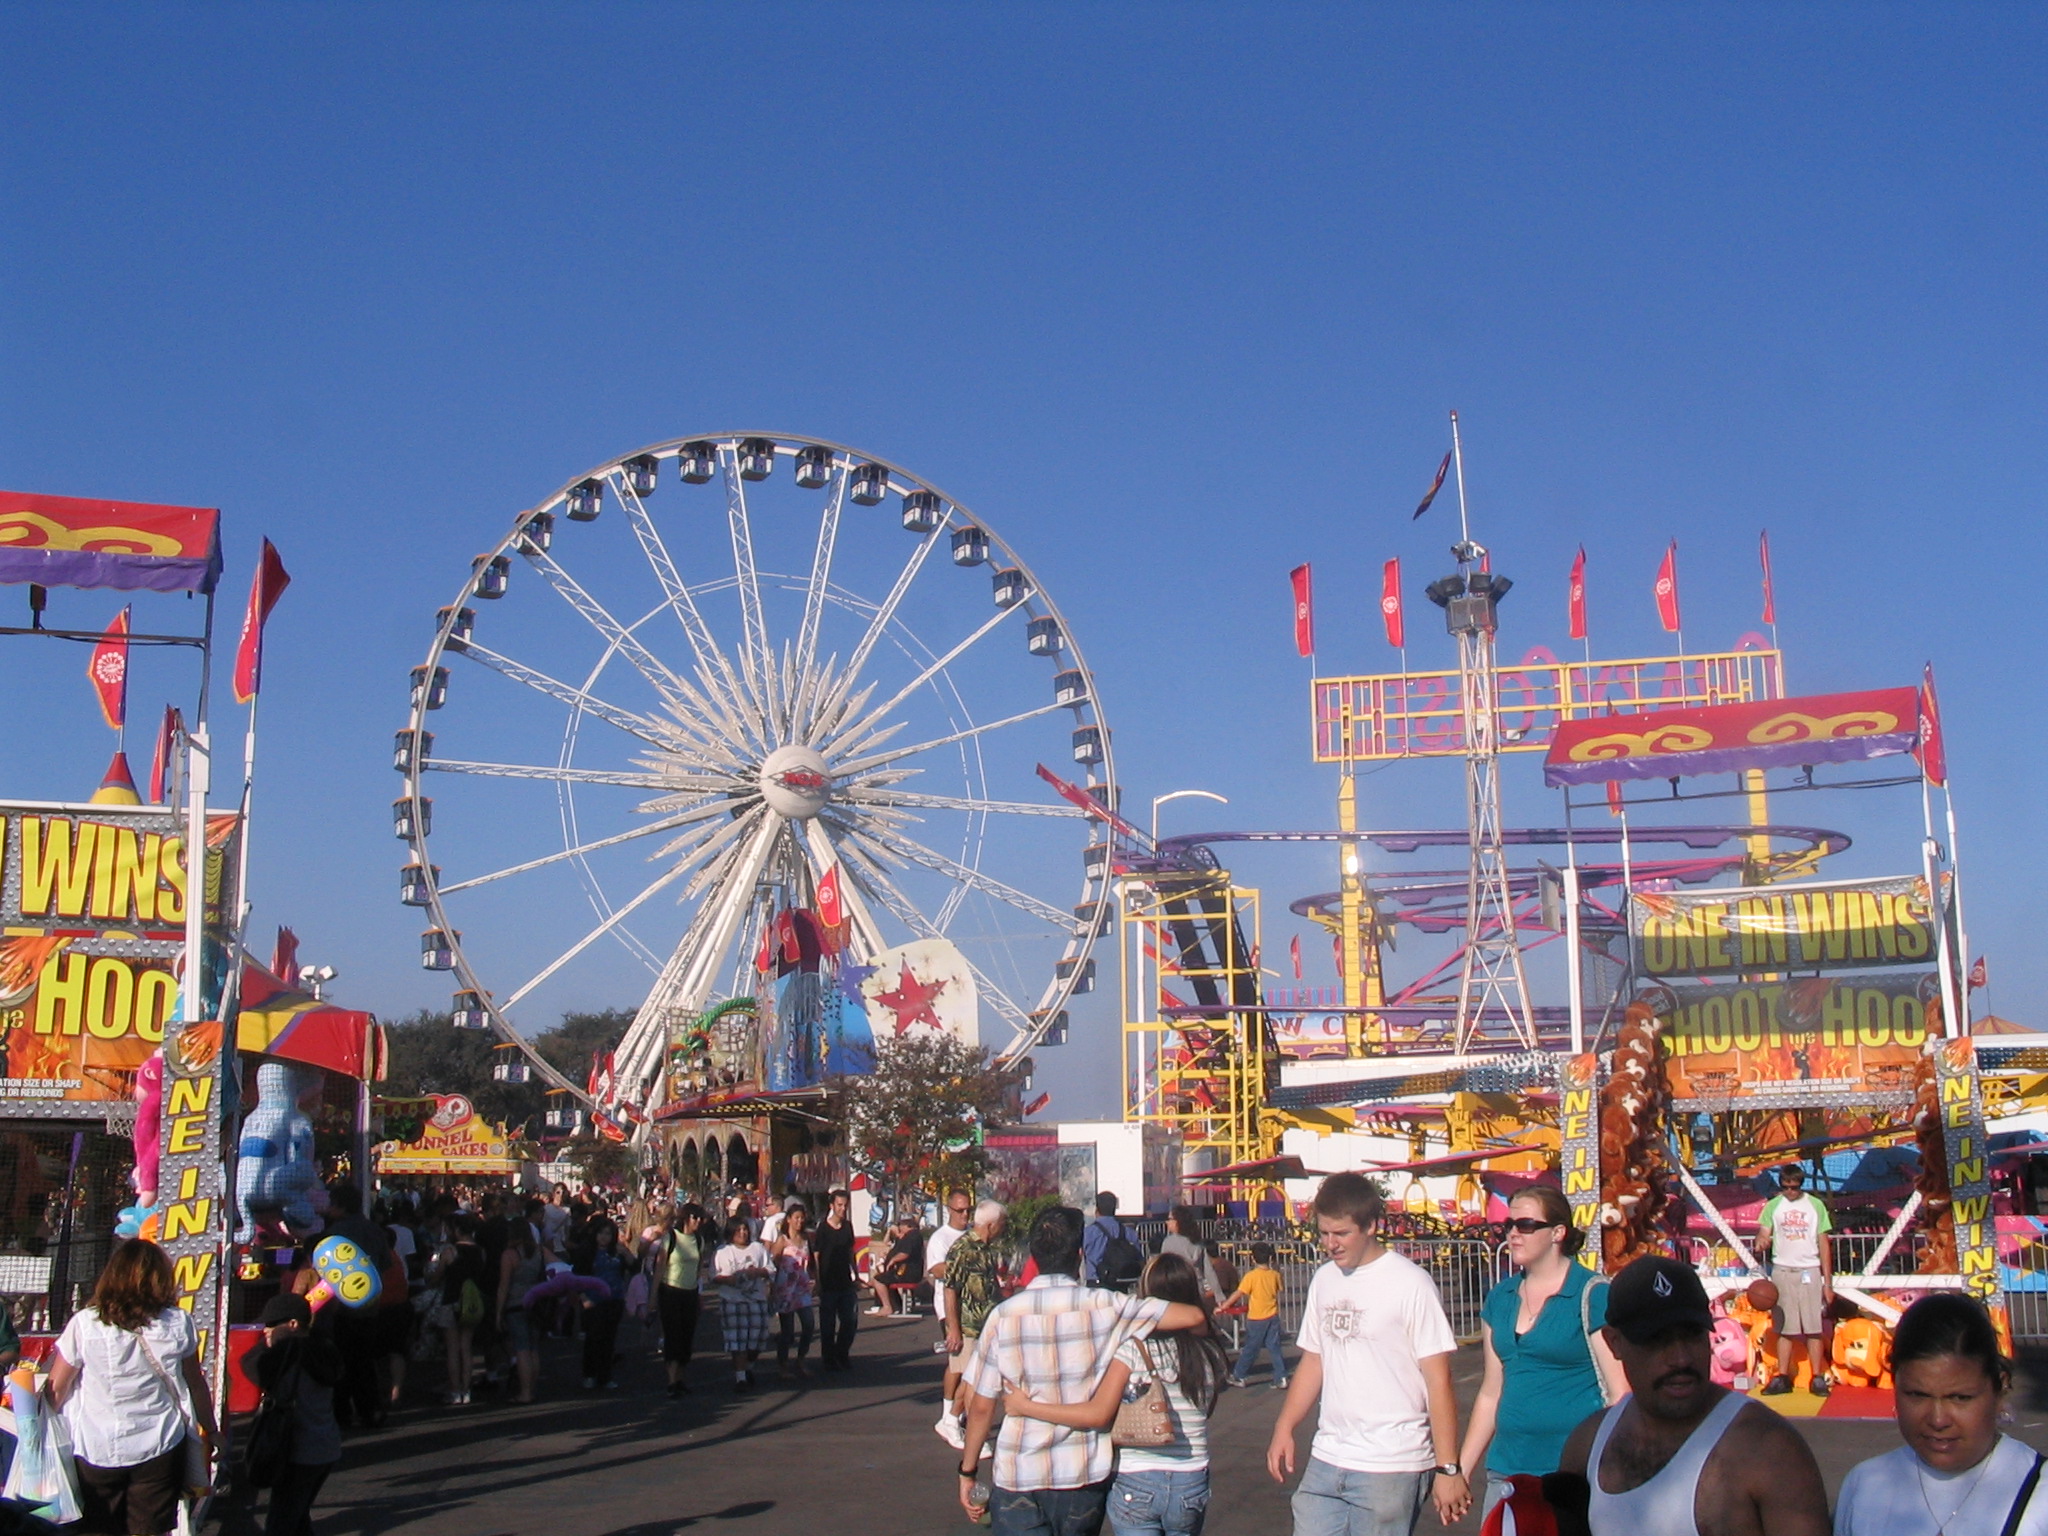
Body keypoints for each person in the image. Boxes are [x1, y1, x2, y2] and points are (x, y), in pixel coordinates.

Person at [958, 1206, 1210, 1534]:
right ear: (1079, 1255)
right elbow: (1193, 1316)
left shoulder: (1003, 1316)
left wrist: (968, 1471)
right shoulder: (1107, 1305)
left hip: (1019, 1470)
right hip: (1083, 1474)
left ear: (1033, 1254)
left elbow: (980, 1406)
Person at [1558, 1254, 1830, 1536]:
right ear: (1614, 1343)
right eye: (1656, 1339)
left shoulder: (1768, 1450)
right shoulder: (1587, 1445)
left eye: (1692, 1334)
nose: (1680, 1358)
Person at [1265, 1172, 1467, 1535]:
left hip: (1391, 1464)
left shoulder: (1411, 1284)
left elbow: (1439, 1381)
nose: (1331, 1244)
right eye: (1324, 1233)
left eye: (1341, 1234)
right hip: (1328, 1457)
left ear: (1372, 1226)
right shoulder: (1324, 1279)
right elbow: (1314, 1360)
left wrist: (1448, 1468)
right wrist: (1285, 1426)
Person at [1002, 1251, 1229, 1536]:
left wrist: (1025, 1406)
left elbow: (1097, 1414)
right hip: (1192, 1477)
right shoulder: (1210, 1352)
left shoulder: (1134, 1350)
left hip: (1137, 1475)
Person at [1459, 1186, 1623, 1520]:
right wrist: (1459, 1471)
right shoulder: (1500, 1298)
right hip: (1506, 1473)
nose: (1513, 1233)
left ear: (1558, 1233)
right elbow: (1491, 1393)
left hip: (1572, 1476)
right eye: (1509, 1225)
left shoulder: (1592, 1294)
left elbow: (1620, 1394)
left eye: (1526, 1225)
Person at [45, 1238, 221, 1536]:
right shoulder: (178, 1322)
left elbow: (56, 1390)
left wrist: (36, 1433)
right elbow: (196, 1384)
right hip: (160, 1443)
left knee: (97, 1528)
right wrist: (212, 1430)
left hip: (95, 1447)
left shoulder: (85, 1323)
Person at [1834, 1291, 2047, 1536]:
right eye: (1917, 1395)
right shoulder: (1865, 1486)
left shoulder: (2041, 1492)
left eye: (1960, 1398)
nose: (1938, 1420)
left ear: (2000, 1387)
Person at [241, 1292, 343, 1536]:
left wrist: (267, 1346)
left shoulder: (287, 1356)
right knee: (297, 1517)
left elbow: (250, 1364)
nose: (265, 1331)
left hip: (295, 1449)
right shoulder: (325, 1349)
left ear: (292, 1324)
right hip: (325, 1447)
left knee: (281, 1523)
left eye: (271, 1325)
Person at [1757, 1165, 1835, 1396]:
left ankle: (1817, 1376)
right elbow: (1763, 1232)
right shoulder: (1773, 1206)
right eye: (1786, 1187)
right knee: (1784, 1329)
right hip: (1782, 1269)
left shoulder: (1815, 1205)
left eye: (1794, 1188)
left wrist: (1827, 1283)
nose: (1790, 1192)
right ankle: (1782, 1376)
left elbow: (1824, 1243)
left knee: (1813, 1328)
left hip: (1809, 1269)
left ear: (1801, 1185)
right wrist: (1762, 1241)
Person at [936, 1199, 1007, 1450]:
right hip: (967, 1327)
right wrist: (953, 1328)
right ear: (990, 1225)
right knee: (973, 1383)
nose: (1003, 1228)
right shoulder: (964, 1248)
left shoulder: (986, 1249)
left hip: (985, 1325)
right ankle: (962, 1429)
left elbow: (990, 1288)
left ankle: (953, 1420)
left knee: (973, 1380)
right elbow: (950, 1289)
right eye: (1001, 1223)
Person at [431, 1214, 487, 1405]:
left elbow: (437, 1276)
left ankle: (455, 1390)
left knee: (452, 1349)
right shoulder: (480, 1252)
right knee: (467, 1347)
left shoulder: (450, 1251)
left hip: (452, 1299)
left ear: (456, 1230)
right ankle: (467, 1388)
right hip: (472, 1301)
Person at [574, 1215, 635, 1390]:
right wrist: (583, 1297)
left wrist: (627, 1253)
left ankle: (605, 1375)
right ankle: (589, 1374)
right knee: (593, 1338)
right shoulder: (587, 1251)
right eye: (601, 1233)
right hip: (593, 1300)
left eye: (608, 1234)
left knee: (609, 1340)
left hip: (614, 1299)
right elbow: (578, 1276)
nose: (604, 1237)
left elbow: (634, 1268)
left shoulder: (617, 1251)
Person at [495, 1210, 550, 1404]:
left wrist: (498, 1312)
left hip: (515, 1303)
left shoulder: (509, 1255)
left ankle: (524, 1392)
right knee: (533, 1348)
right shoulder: (540, 1251)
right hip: (535, 1301)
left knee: (521, 1349)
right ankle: (531, 1389)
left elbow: (504, 1285)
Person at [712, 1217, 772, 1391]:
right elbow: (715, 1276)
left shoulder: (758, 1249)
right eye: (738, 1230)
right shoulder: (723, 1251)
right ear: (731, 1233)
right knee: (737, 1341)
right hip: (732, 1300)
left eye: (745, 1229)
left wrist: (759, 1271)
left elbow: (770, 1269)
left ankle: (748, 1367)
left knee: (758, 1339)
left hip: (756, 1299)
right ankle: (740, 1379)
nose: (743, 1233)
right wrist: (728, 1279)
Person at [654, 1204, 707, 1396]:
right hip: (670, 1291)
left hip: (689, 1292)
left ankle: (681, 1378)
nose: (698, 1222)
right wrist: (652, 1299)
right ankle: (671, 1380)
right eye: (695, 1217)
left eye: (700, 1218)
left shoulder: (699, 1240)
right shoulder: (671, 1238)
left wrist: (699, 1294)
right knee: (673, 1336)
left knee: (686, 1337)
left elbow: (699, 1269)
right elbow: (659, 1269)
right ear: (686, 1218)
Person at [1224, 1241, 1288, 1389]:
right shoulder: (1275, 1275)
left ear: (1253, 1259)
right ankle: (1281, 1376)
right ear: (1270, 1258)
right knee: (1274, 1347)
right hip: (1272, 1315)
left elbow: (1239, 1293)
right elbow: (1281, 1288)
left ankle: (1239, 1375)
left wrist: (1225, 1305)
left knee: (1251, 1348)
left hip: (1256, 1317)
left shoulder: (1251, 1276)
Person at [814, 1189, 861, 1371]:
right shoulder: (823, 1228)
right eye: (839, 1205)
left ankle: (842, 1353)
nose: (843, 1209)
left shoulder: (848, 1226)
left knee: (849, 1320)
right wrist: (818, 1280)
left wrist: (856, 1275)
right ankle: (829, 1358)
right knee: (828, 1324)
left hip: (845, 1281)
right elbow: (817, 1254)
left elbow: (850, 1252)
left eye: (845, 1205)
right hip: (828, 1281)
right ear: (832, 1206)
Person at [770, 1204, 818, 1378]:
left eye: (802, 1217)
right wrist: (771, 1287)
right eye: (796, 1217)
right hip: (785, 1289)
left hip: (802, 1288)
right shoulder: (782, 1240)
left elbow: (811, 1263)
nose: (799, 1221)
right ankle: (782, 1365)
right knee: (787, 1331)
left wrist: (815, 1280)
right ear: (789, 1219)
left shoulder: (806, 1239)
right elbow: (772, 1263)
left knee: (808, 1325)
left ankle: (800, 1360)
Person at [927, 1190, 974, 1342]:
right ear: (949, 1210)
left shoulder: (973, 1234)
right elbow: (938, 1270)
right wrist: (970, 1266)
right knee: (958, 1357)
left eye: (969, 1210)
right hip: (950, 1308)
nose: (965, 1214)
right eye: (960, 1210)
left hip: (974, 1306)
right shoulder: (940, 1238)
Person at [1161, 1207, 1225, 1306]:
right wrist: (1218, 1294)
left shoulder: (1169, 1242)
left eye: (1169, 1219)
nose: (1167, 1222)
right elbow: (1208, 1270)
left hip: (1176, 1289)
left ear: (1177, 1221)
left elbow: (1163, 1269)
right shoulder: (1197, 1242)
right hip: (1196, 1288)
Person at [1081, 1192, 1143, 1291]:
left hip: (1096, 1283)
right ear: (1114, 1209)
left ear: (1097, 1210)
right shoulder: (1129, 1233)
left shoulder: (1088, 1232)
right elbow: (1138, 1256)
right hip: (1120, 1284)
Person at [867, 1215, 925, 1315]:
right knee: (884, 1279)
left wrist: (893, 1260)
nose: (899, 1227)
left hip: (908, 1272)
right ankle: (896, 1306)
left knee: (878, 1280)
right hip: (907, 1271)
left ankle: (887, 1307)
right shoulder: (911, 1236)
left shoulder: (912, 1236)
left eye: (900, 1225)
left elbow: (905, 1253)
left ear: (907, 1225)